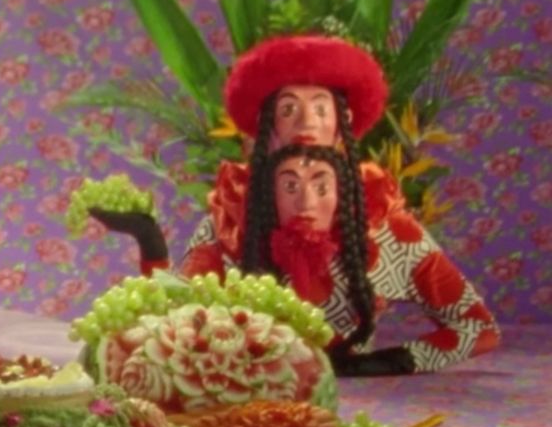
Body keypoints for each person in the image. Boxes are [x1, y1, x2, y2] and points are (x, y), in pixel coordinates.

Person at [92, 34, 500, 375]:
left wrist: (396, 361)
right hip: (251, 396)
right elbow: (171, 322)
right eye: (290, 110)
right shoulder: (232, 220)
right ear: (268, 131)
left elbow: (476, 327)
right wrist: (150, 243)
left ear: (342, 125)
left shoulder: (387, 227)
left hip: (374, 404)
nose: (307, 123)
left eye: (320, 109)